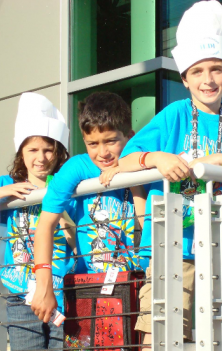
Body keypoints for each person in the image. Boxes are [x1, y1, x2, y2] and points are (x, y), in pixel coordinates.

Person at [118, 1, 222, 349]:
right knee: (159, 337)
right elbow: (125, 161)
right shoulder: (173, 114)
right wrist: (156, 158)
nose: (208, 80)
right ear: (185, 78)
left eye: (217, 70)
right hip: (173, 245)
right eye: (199, 71)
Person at [31, 92, 145, 322]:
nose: (102, 153)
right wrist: (44, 285)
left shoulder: (144, 161)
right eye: (92, 143)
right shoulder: (78, 166)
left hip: (141, 283)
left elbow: (148, 223)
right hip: (89, 285)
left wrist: (130, 173)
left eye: (111, 141)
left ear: (129, 137)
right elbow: (45, 224)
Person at [0, 93, 76, 350]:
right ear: (20, 152)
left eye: (48, 150)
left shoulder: (67, 184)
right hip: (19, 296)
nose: (41, 158)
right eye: (32, 149)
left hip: (63, 292)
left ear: (58, 152)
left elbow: (76, 237)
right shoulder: (4, 184)